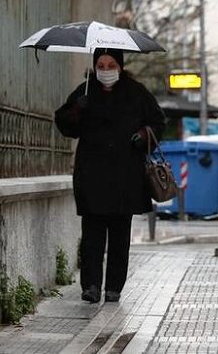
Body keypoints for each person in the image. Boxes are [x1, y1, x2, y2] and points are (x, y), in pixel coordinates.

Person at [54, 47, 165, 303]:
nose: (105, 71)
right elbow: (64, 124)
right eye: (100, 66)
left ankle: (114, 286)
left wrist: (143, 135)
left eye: (110, 65)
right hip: (92, 174)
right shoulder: (85, 91)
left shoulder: (137, 93)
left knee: (119, 236)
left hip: (125, 175)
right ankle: (91, 285)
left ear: (120, 66)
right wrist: (77, 111)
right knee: (92, 235)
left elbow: (159, 122)